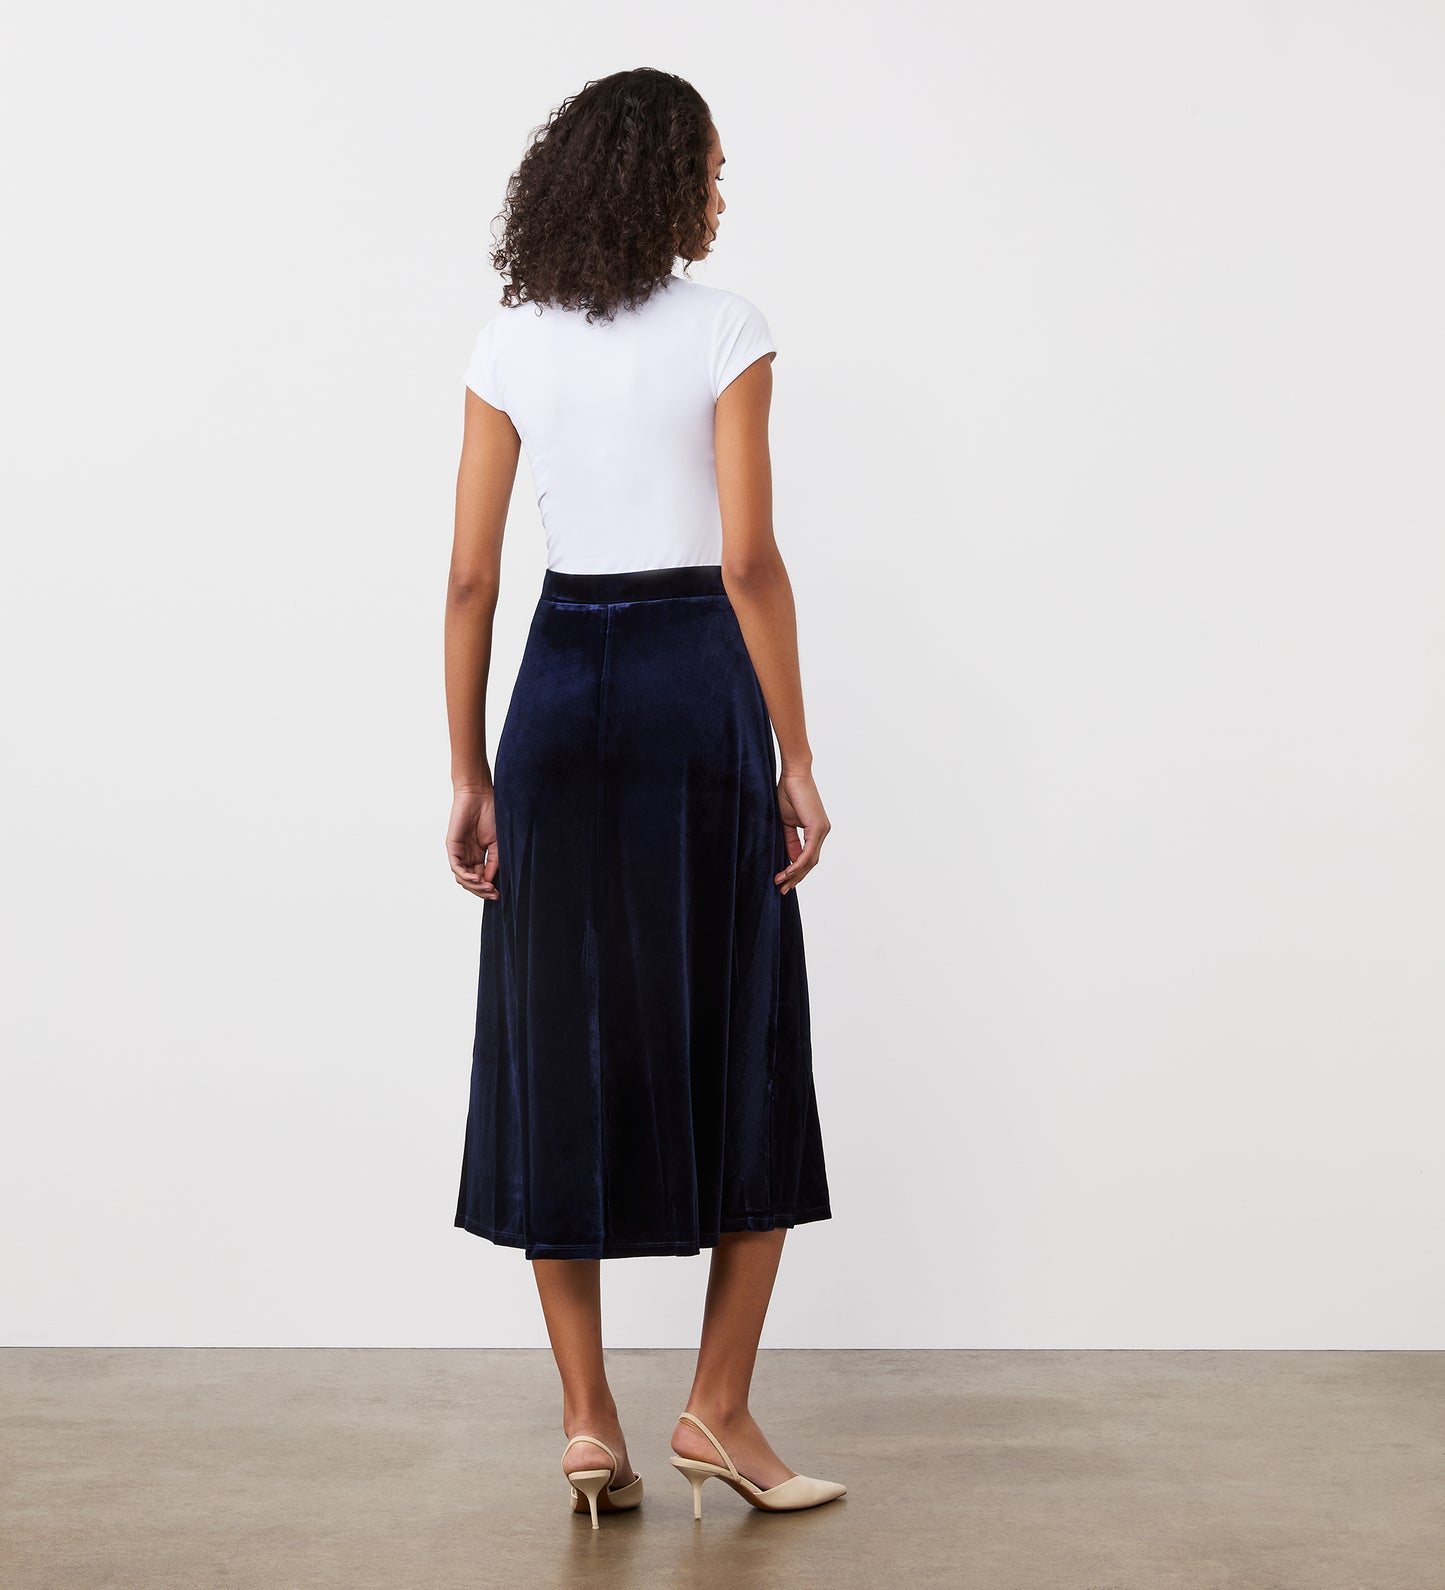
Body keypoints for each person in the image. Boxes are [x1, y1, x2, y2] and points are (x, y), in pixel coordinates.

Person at [443, 67, 845, 1527]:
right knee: (746, 1026)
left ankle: (586, 1419)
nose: (722, 197)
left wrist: (469, 769)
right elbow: (748, 560)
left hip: (557, 691)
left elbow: (472, 579)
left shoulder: (510, 340)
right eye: (713, 171)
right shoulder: (727, 328)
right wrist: (796, 755)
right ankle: (715, 1407)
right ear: (664, 179)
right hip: (692, 690)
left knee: (555, 1040)